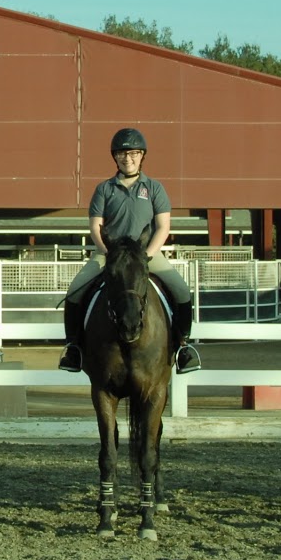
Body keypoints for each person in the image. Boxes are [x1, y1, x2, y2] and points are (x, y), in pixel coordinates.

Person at [58, 127, 200, 375]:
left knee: (181, 290)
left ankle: (182, 348)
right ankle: (74, 349)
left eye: (134, 153)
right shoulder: (104, 189)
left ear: (142, 156)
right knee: (74, 292)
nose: (128, 158)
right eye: (123, 154)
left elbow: (163, 226)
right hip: (108, 254)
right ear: (115, 157)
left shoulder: (154, 188)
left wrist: (146, 256)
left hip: (146, 254)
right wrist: (110, 253)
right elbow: (95, 226)